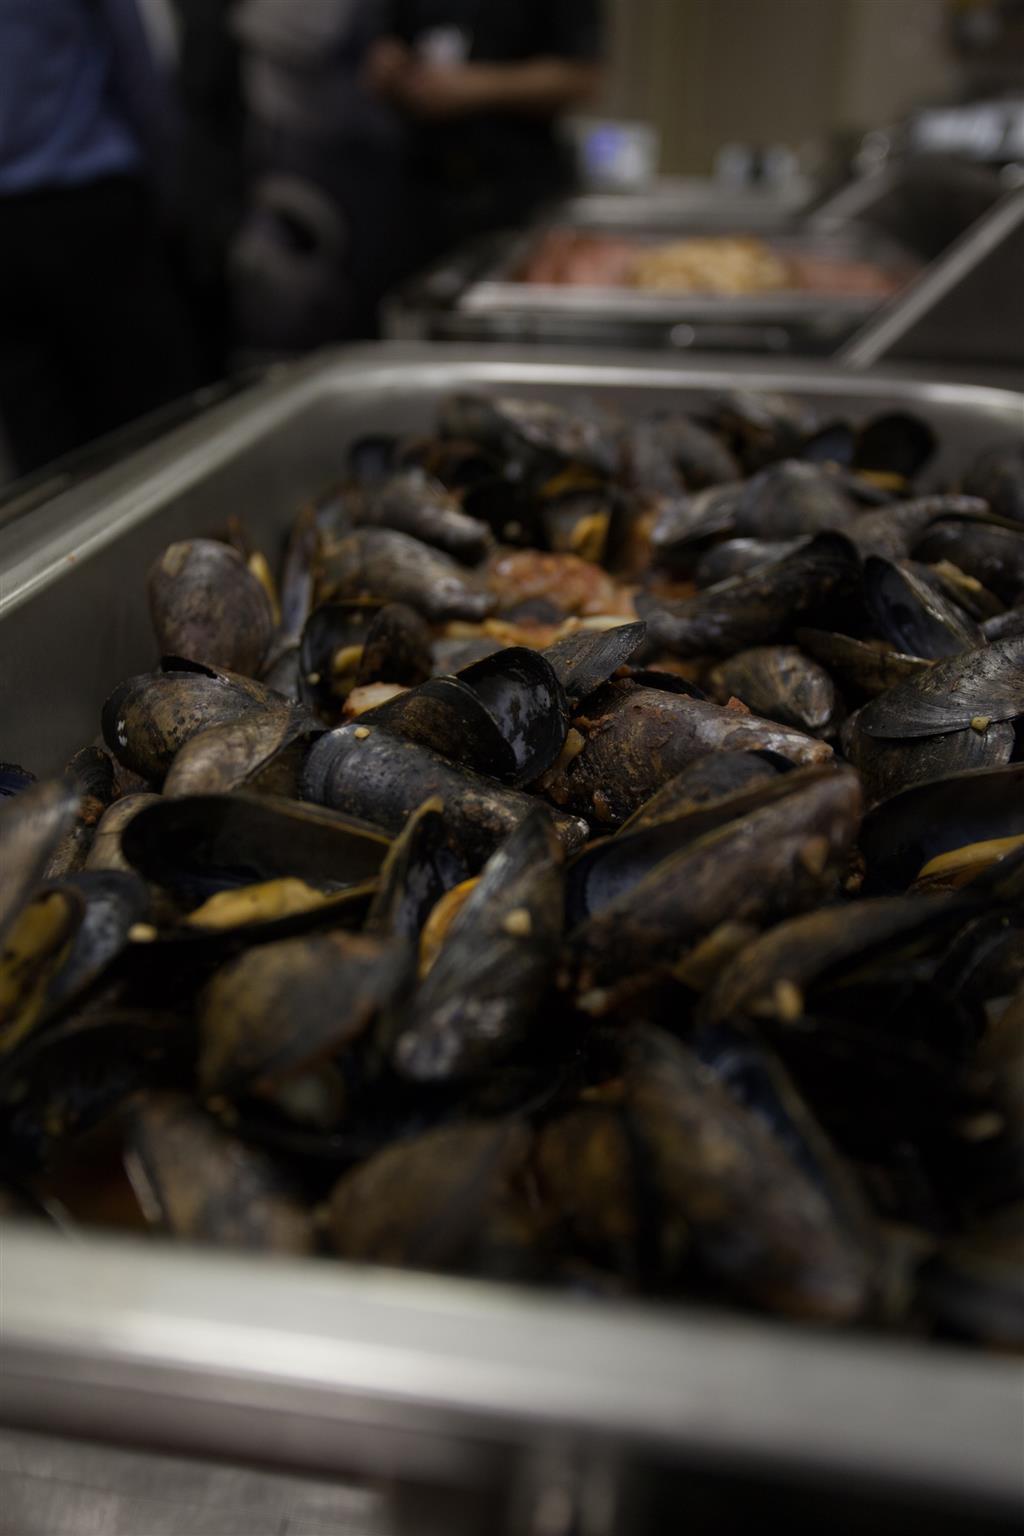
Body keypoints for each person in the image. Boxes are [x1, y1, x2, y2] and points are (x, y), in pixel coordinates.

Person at [0, 0, 200, 478]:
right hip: (95, 209)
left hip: (10, 229)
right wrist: (176, 198)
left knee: (50, 461)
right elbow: (139, 70)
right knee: (161, 433)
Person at [369, 0, 604, 265]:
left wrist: (475, 87)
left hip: (517, 188)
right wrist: (392, 68)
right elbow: (388, 47)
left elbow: (583, 77)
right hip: (419, 186)